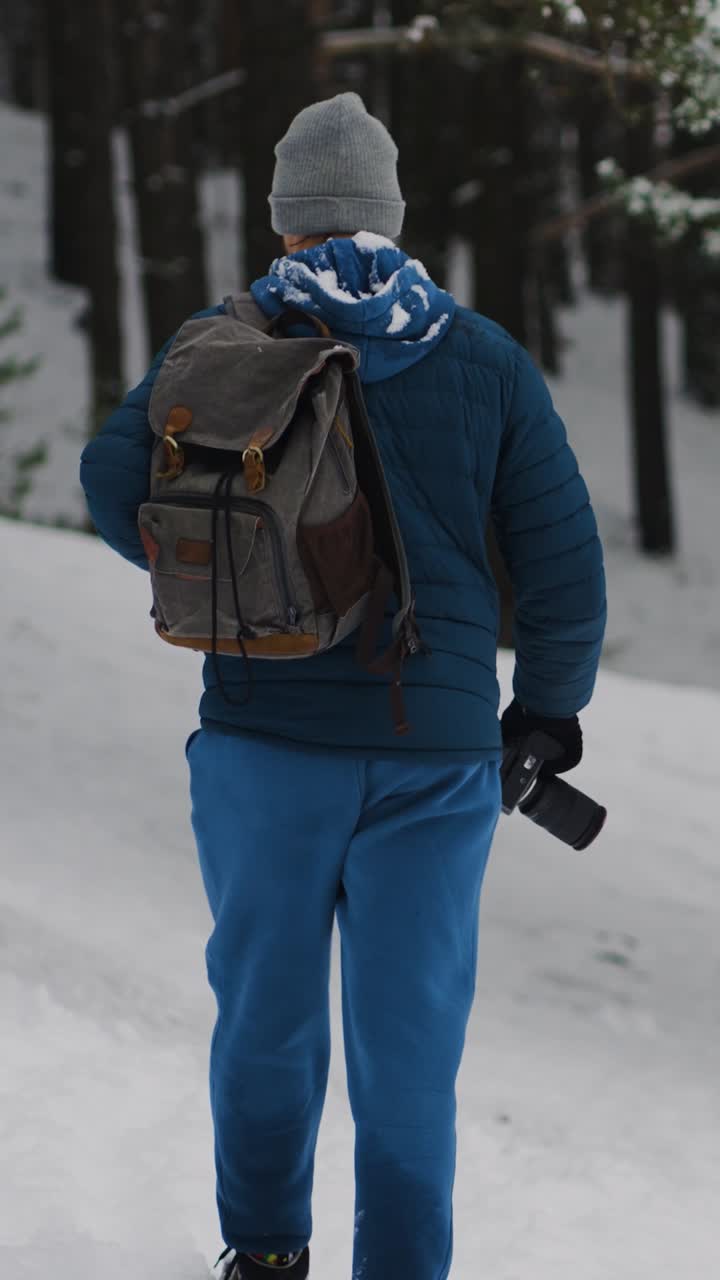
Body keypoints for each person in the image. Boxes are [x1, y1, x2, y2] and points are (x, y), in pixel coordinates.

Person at [80, 93, 606, 1280]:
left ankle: (267, 1253)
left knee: (265, 1013)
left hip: (261, 740)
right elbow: (565, 568)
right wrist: (544, 712)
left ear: (285, 220)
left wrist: (226, 583)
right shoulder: (484, 357)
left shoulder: (224, 342)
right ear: (391, 215)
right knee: (410, 1047)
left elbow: (115, 484)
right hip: (436, 756)